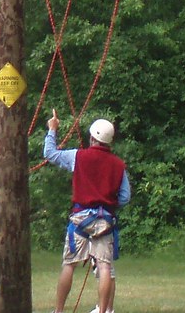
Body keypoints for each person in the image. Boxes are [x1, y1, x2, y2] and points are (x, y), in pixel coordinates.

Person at [44, 109, 130, 313]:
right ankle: (104, 311)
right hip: (105, 220)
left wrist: (52, 130)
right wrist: (108, 201)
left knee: (69, 264)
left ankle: (58, 311)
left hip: (80, 219)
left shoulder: (78, 156)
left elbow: (50, 153)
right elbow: (125, 197)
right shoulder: (119, 165)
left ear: (92, 137)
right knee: (104, 266)